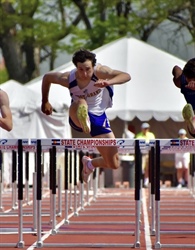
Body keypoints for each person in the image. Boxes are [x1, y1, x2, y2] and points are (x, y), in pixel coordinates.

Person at [41, 49, 131, 183]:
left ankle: (90, 164)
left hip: (98, 117)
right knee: (81, 102)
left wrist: (108, 82)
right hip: (76, 114)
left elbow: (126, 76)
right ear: (76, 67)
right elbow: (47, 78)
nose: (84, 73)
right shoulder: (68, 79)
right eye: (80, 69)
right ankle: (84, 118)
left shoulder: (100, 71)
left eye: (87, 69)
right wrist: (45, 101)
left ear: (93, 66)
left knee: (114, 163)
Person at [172, 58, 195, 137]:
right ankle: (192, 122)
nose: (190, 83)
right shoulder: (181, 81)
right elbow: (176, 68)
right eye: (189, 79)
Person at [135, 122, 155, 187]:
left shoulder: (151, 135)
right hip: (141, 154)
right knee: (141, 168)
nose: (146, 130)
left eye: (147, 128)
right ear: (142, 129)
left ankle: (146, 181)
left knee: (148, 168)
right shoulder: (138, 135)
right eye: (144, 128)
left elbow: (153, 144)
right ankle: (140, 181)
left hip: (149, 153)